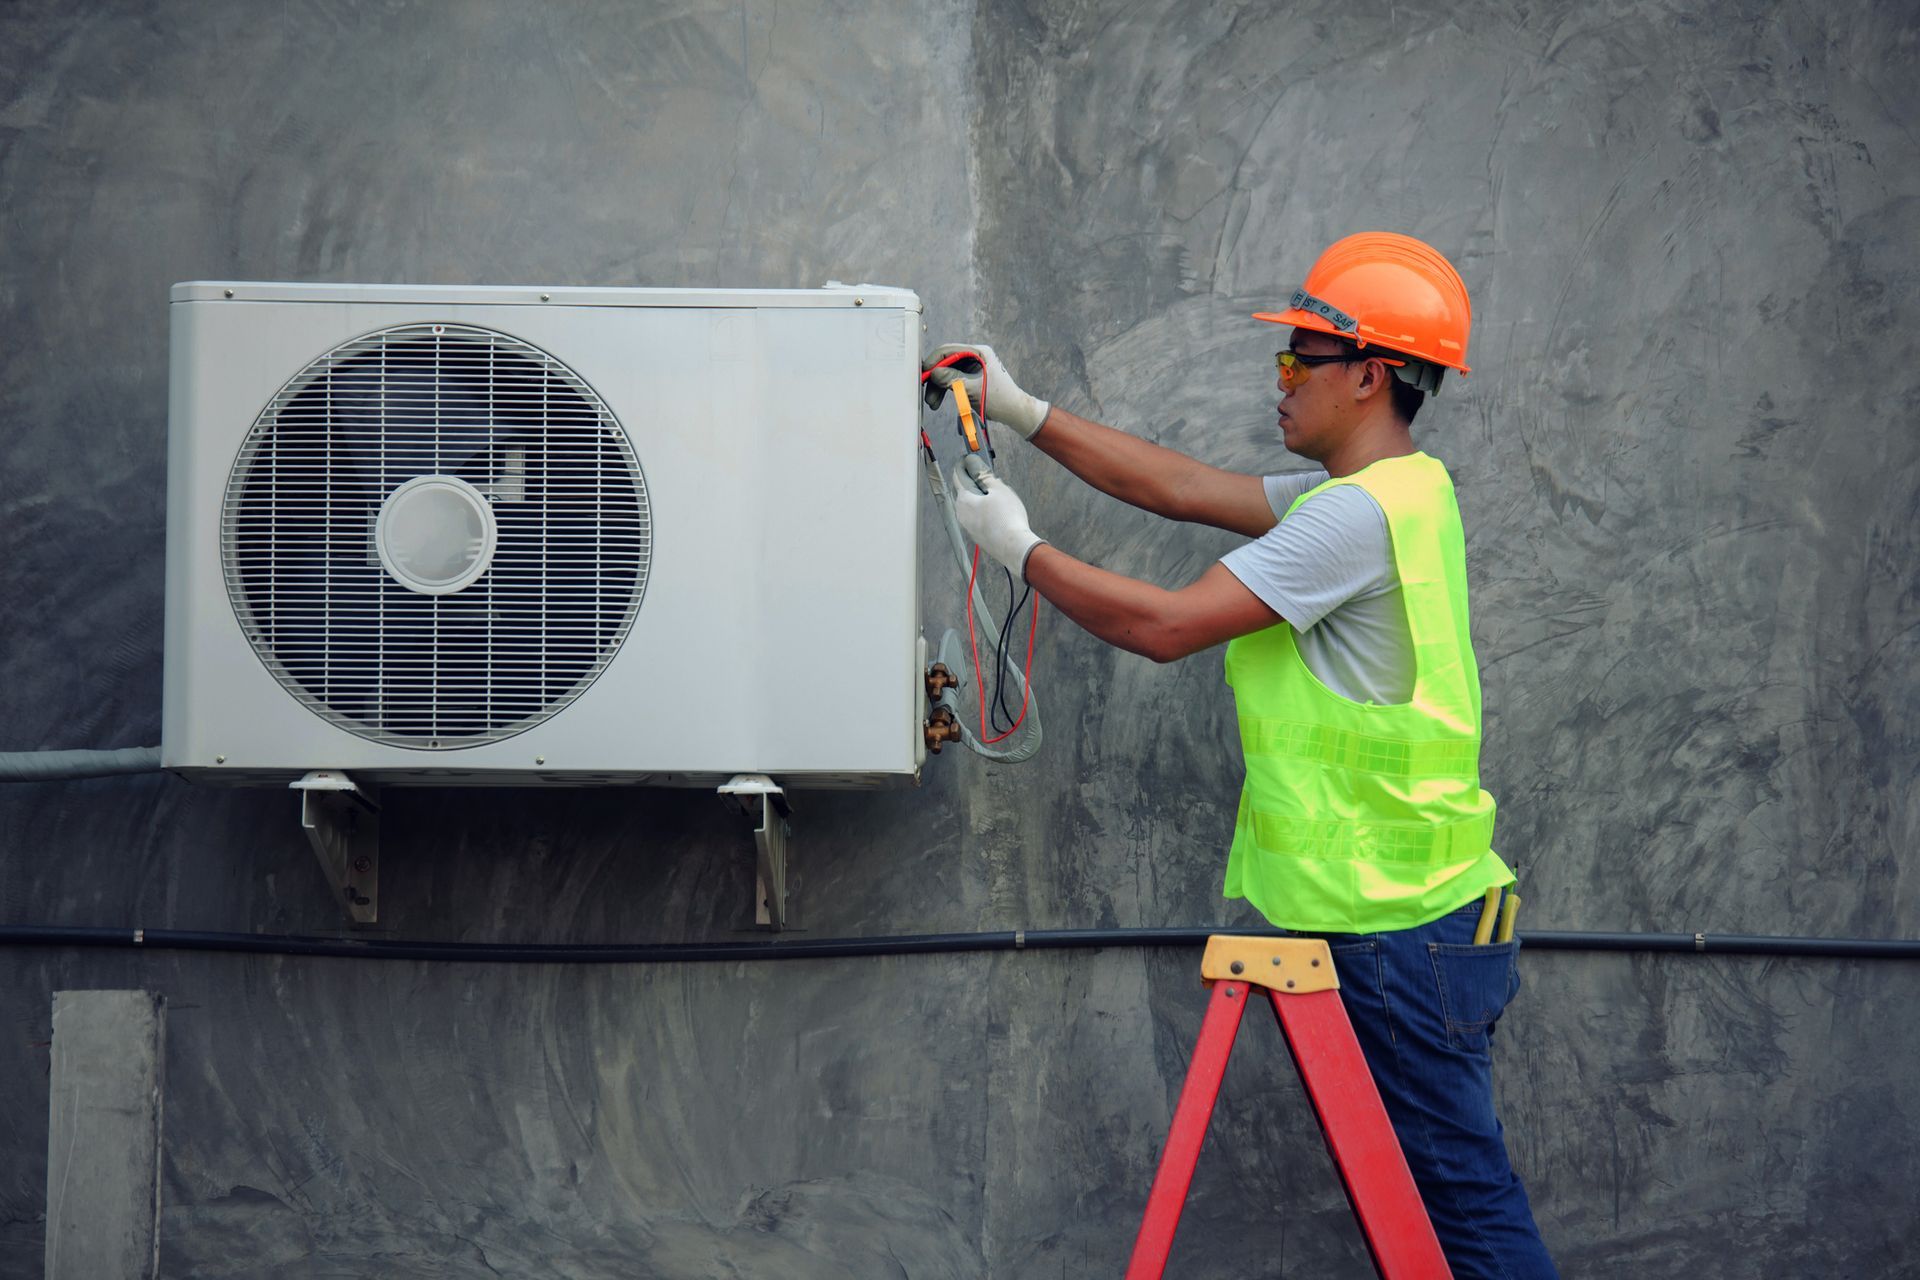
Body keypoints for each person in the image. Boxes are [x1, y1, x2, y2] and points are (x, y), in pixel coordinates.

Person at [924, 232, 1558, 1278]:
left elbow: (1168, 627)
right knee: (1451, 1201)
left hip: (1394, 922)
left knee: (1467, 1213)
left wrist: (1020, 551)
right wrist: (1021, 408)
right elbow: (1178, 486)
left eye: (1295, 360)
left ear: (1369, 374)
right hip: (1427, 909)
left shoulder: (1350, 519)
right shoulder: (1404, 490)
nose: (1279, 379)